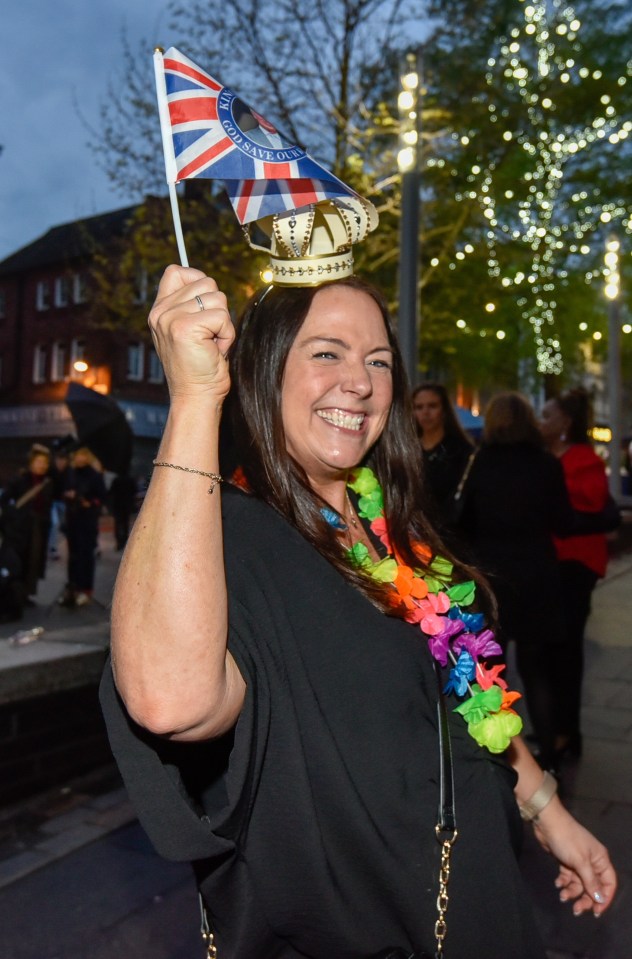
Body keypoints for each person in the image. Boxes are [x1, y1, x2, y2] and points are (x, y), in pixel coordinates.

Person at [100, 266, 616, 959]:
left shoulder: (388, 523)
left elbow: (464, 686)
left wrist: (547, 809)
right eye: (326, 353)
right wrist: (196, 398)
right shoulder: (233, 540)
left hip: (481, 898)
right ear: (262, 370)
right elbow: (171, 701)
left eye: (378, 360)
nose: (361, 380)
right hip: (365, 928)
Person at [455, 392, 576, 771]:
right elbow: (563, 521)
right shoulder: (546, 464)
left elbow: (463, 521)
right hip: (537, 572)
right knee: (538, 669)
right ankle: (550, 758)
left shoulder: (482, 462)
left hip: (493, 575)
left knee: (494, 671)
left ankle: (501, 757)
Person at [539, 388, 609, 762]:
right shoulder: (543, 457)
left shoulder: (582, 459)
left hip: (575, 565)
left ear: (564, 423)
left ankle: (568, 730)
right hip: (550, 564)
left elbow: (592, 501)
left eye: (547, 416)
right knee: (549, 652)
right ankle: (555, 726)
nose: (541, 421)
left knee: (567, 651)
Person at [412, 383, 474, 526]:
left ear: (444, 410)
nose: (425, 413)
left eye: (432, 406)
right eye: (419, 407)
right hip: (414, 531)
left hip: (453, 531)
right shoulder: (407, 449)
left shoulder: (461, 450)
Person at [1, 444, 53, 604]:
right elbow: (4, 501)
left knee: (34, 560)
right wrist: (15, 516)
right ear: (31, 462)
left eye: (45, 462)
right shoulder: (20, 479)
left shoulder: (47, 482)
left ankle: (26, 593)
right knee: (20, 560)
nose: (42, 465)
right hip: (19, 528)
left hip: (38, 526)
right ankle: (17, 594)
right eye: (39, 461)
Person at [58, 447, 107, 607]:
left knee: (86, 555)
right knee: (73, 555)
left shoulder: (94, 475)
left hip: (87, 521)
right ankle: (72, 588)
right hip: (72, 519)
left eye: (83, 456)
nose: (80, 459)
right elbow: (62, 491)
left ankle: (85, 589)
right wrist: (69, 495)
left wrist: (90, 503)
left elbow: (102, 497)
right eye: (77, 455)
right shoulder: (70, 473)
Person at [108, 473, 138, 551]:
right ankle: (124, 541)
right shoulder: (130, 480)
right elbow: (135, 491)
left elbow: (111, 491)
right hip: (127, 504)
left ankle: (119, 542)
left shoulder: (116, 480)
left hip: (117, 504)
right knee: (125, 523)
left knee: (118, 524)